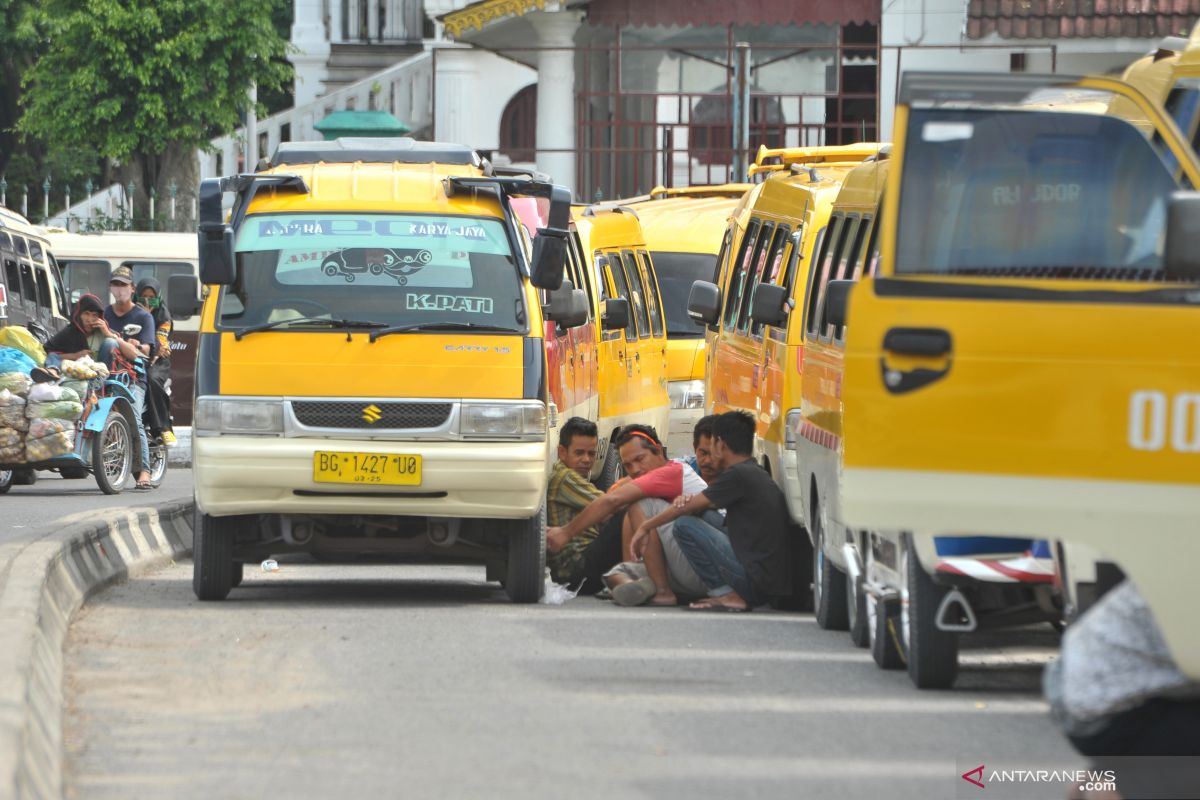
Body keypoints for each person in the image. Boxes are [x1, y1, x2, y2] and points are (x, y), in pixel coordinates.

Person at [1044, 580, 1200, 799]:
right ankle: (1118, 788)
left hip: (1085, 693)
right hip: (1105, 712)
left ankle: (1114, 776)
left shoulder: (1180, 573)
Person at [631, 411, 791, 612]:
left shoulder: (737, 475)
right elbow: (699, 506)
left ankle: (725, 594)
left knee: (683, 525)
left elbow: (688, 507)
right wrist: (690, 505)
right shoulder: (751, 471)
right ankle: (726, 592)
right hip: (765, 580)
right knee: (701, 514)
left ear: (721, 445)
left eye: (712, 445)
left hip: (755, 584)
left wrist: (646, 526)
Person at [547, 424, 710, 607]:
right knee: (615, 573)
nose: (636, 469)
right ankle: (636, 582)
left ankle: (661, 590)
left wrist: (565, 533)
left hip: (703, 565)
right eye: (628, 465)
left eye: (640, 459)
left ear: (658, 451)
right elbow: (611, 499)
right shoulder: (564, 477)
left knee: (638, 505)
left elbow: (611, 501)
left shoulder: (672, 472)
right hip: (694, 565)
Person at [545, 417, 622, 594]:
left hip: (577, 569)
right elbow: (610, 503)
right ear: (562, 452)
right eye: (579, 453)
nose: (586, 460)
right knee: (626, 515)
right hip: (577, 569)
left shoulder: (570, 476)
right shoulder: (565, 478)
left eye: (591, 453)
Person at [103, 266, 157, 490]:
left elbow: (146, 350)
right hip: (106, 375)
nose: (119, 289)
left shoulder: (143, 317)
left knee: (134, 418)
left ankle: (144, 470)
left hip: (133, 377)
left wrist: (136, 344)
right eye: (116, 284)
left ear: (132, 289)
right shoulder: (104, 314)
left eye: (124, 285)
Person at [135, 277, 176, 446]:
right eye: (143, 297)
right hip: (132, 354)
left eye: (151, 297)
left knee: (151, 379)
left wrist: (146, 317)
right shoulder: (128, 311)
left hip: (157, 361)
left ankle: (162, 427)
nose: (147, 301)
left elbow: (160, 345)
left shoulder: (164, 317)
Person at [34, 293, 109, 380]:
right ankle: (52, 372)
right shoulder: (70, 332)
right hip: (75, 373)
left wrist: (108, 334)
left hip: (99, 376)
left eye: (94, 315)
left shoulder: (103, 333)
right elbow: (51, 353)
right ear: (78, 315)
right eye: (86, 314)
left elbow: (118, 346)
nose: (89, 319)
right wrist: (75, 355)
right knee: (53, 357)